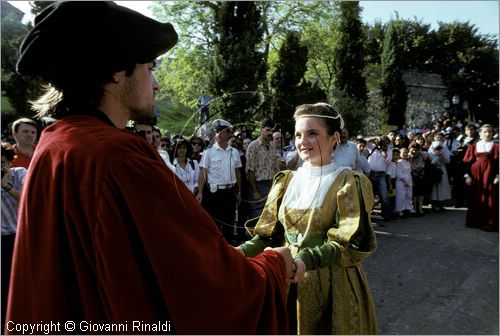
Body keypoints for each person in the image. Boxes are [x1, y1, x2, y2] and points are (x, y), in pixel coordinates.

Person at [6, 2, 294, 334]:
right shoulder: (116, 156)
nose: (155, 84)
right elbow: (203, 287)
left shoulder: (58, 143)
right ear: (115, 72)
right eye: (150, 67)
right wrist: (274, 265)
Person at [238, 103, 378, 335]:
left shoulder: (347, 183)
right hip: (284, 280)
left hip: (332, 286)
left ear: (334, 138)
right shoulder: (286, 180)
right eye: (298, 135)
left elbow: (348, 243)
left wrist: (306, 259)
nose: (302, 141)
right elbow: (271, 235)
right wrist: (242, 251)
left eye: (312, 133)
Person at [197, 119, 242, 245]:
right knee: (214, 223)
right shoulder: (209, 152)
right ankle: (214, 249)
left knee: (229, 223)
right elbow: (203, 173)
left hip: (230, 191)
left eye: (222, 132)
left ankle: (228, 249)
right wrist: (200, 192)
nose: (218, 134)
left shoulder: (234, 152)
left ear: (229, 134)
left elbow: (238, 173)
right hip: (214, 193)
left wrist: (239, 191)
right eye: (217, 131)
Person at [1, 143, 28, 331]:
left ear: (10, 162)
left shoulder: (20, 174)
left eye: (2, 162)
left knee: (19, 285)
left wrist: (7, 186)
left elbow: (29, 199)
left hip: (18, 237)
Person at [463, 124, 499, 231]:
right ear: (480, 133)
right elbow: (467, 163)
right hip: (476, 175)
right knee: (475, 197)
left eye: (490, 132)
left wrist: (498, 175)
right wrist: (467, 176)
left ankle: (489, 222)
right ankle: (475, 221)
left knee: (490, 197)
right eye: (485, 132)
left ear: (493, 133)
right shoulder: (474, 146)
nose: (487, 134)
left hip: (490, 175)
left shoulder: (496, 146)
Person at [246, 119, 281, 219]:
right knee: (257, 218)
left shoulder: (272, 147)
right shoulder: (253, 146)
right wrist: (254, 191)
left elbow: (276, 169)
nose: (270, 133)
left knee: (270, 218)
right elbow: (250, 170)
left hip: (272, 185)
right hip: (258, 186)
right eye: (268, 130)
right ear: (261, 129)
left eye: (272, 131)